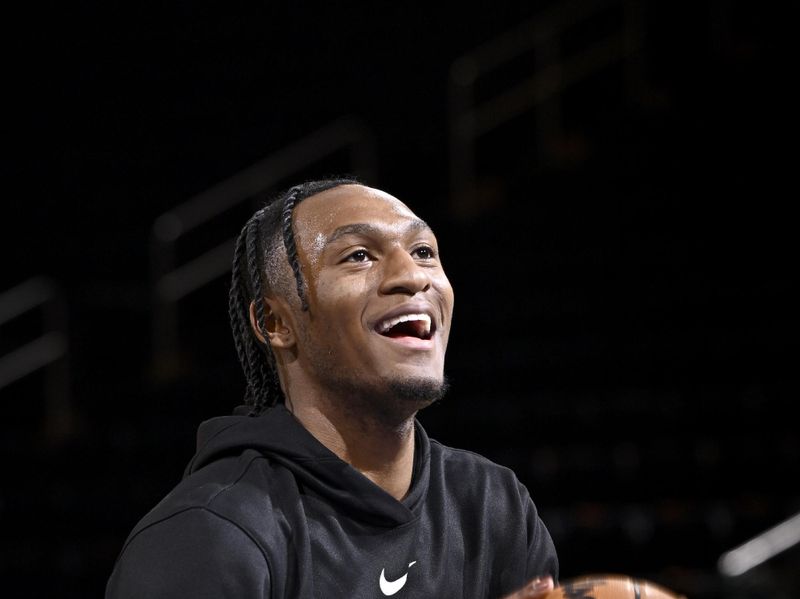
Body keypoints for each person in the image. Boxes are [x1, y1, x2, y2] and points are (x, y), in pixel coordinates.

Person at [106, 178, 559, 598]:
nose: (413, 275)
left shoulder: (491, 504)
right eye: (359, 255)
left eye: (423, 251)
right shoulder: (207, 536)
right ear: (276, 323)